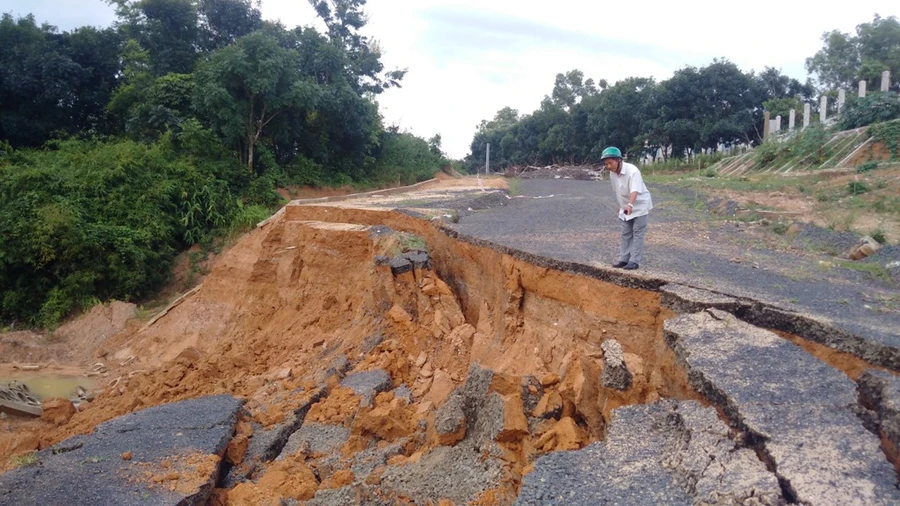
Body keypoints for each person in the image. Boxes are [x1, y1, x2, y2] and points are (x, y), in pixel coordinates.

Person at [600, 146, 653, 270]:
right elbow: (618, 190)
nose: (608, 166)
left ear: (618, 160)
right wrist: (621, 205)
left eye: (610, 163)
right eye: (606, 164)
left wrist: (630, 205)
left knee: (638, 233)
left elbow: (635, 190)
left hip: (639, 205)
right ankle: (624, 259)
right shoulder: (612, 174)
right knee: (625, 233)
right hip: (625, 206)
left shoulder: (633, 171)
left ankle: (634, 261)